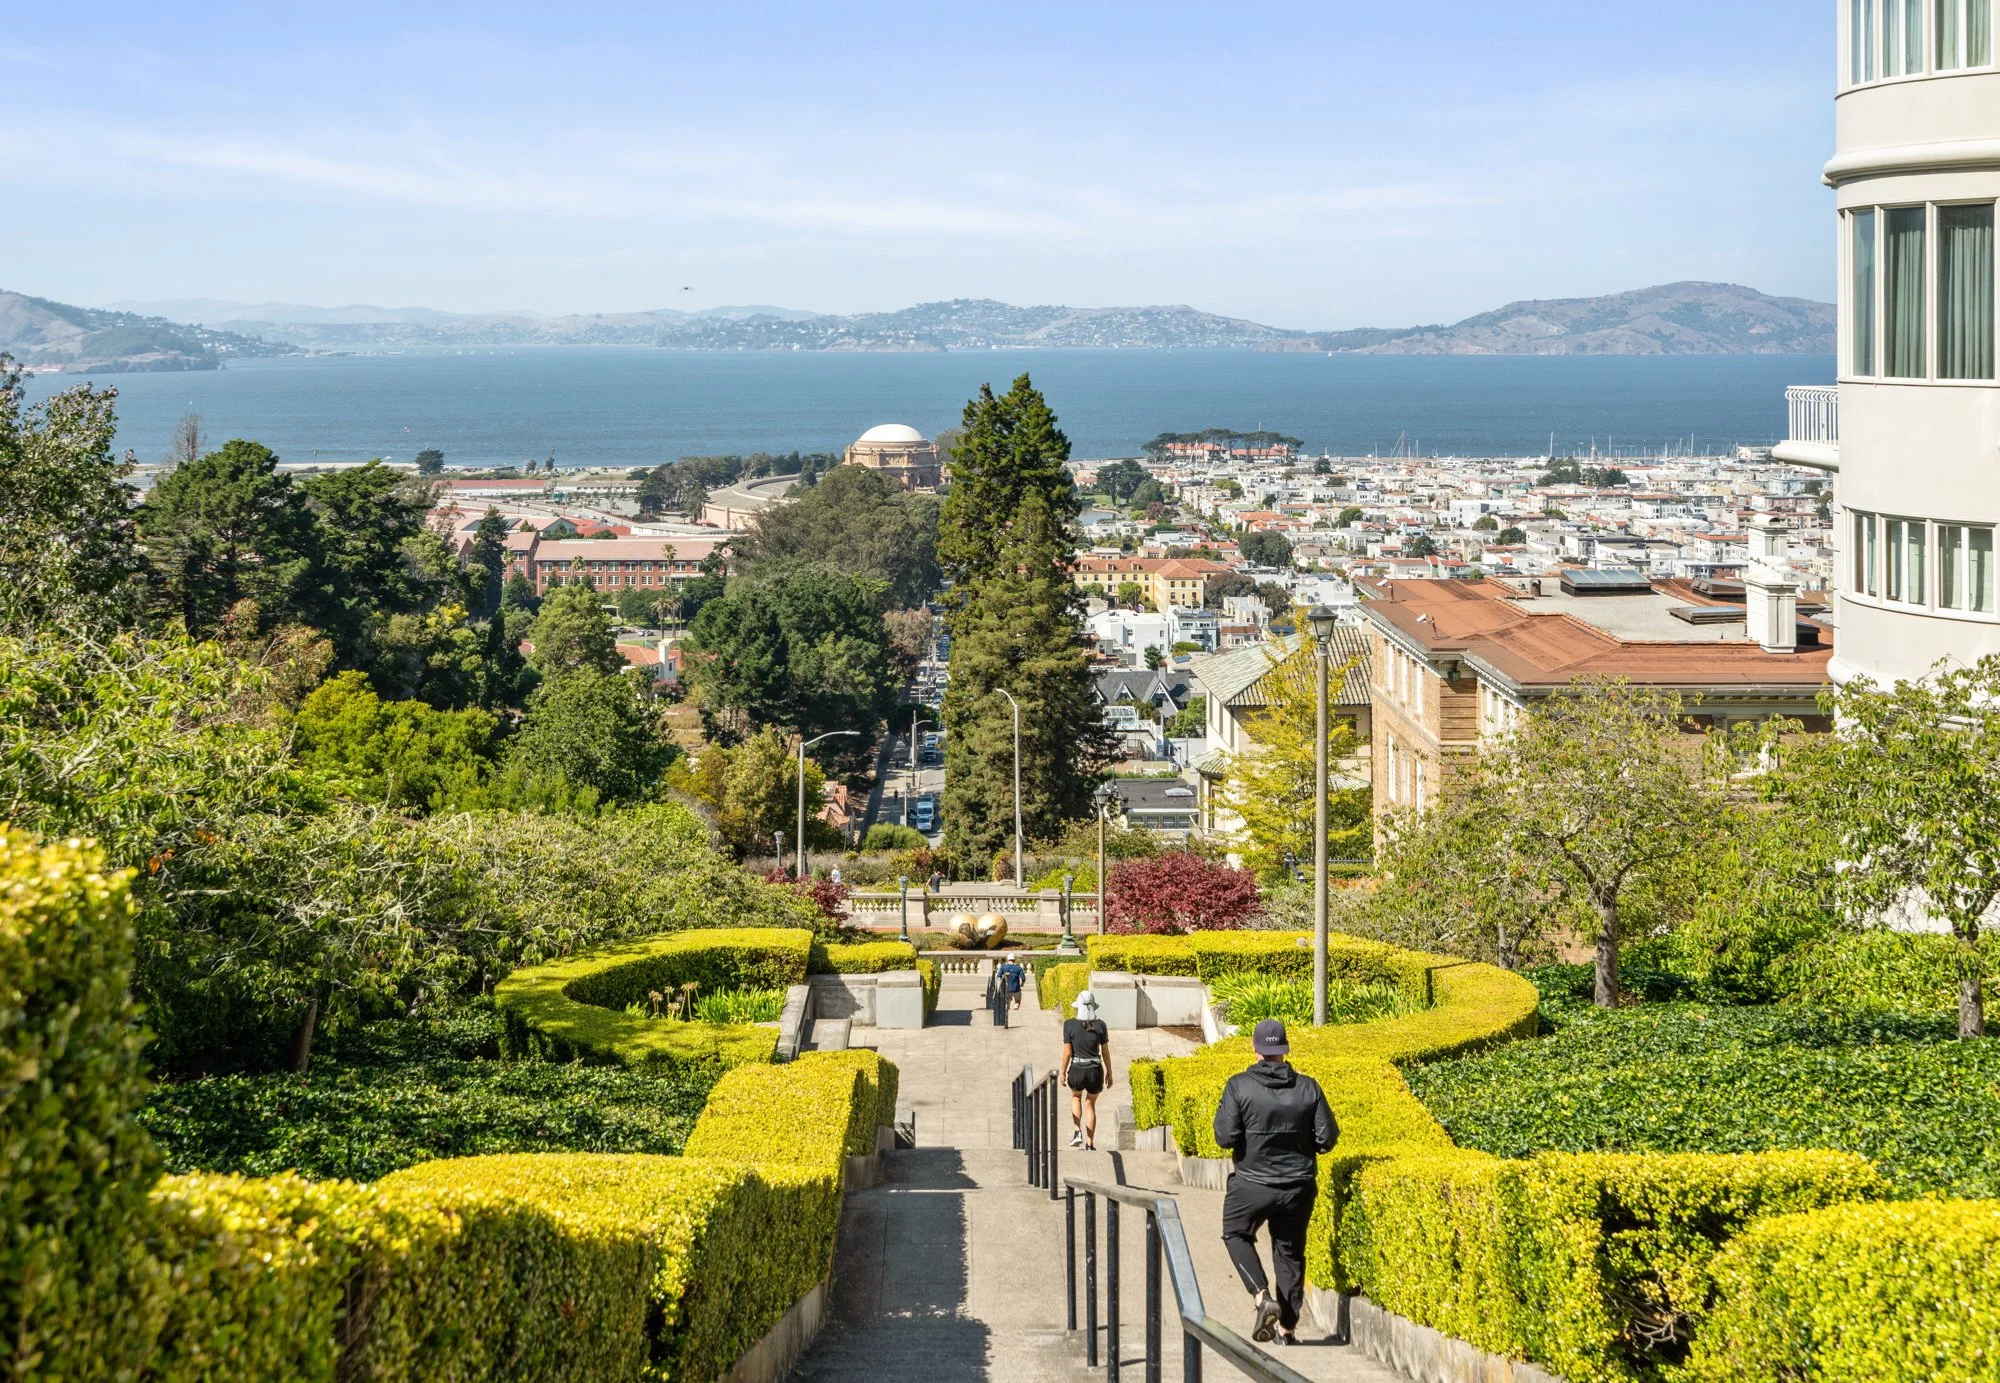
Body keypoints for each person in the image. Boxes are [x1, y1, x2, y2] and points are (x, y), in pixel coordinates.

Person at [1212, 1019, 1337, 1347]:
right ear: (1284, 1050)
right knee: (1290, 1253)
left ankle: (1261, 1295)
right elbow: (1327, 1139)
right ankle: (1287, 1329)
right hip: (1297, 1188)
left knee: (1235, 1233)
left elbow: (1225, 1137)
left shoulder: (1238, 1086)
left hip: (1251, 1186)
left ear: (1255, 1049)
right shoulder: (1308, 1087)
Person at [1061, 990, 1112, 1151]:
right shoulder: (1101, 1025)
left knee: (1076, 1097)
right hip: (1095, 1070)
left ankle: (1077, 1132)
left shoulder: (1069, 1025)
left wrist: (1062, 1071)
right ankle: (1090, 1143)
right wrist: (1109, 1072)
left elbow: (1067, 1052)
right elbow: (1105, 1051)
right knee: (1090, 1104)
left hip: (1077, 1068)